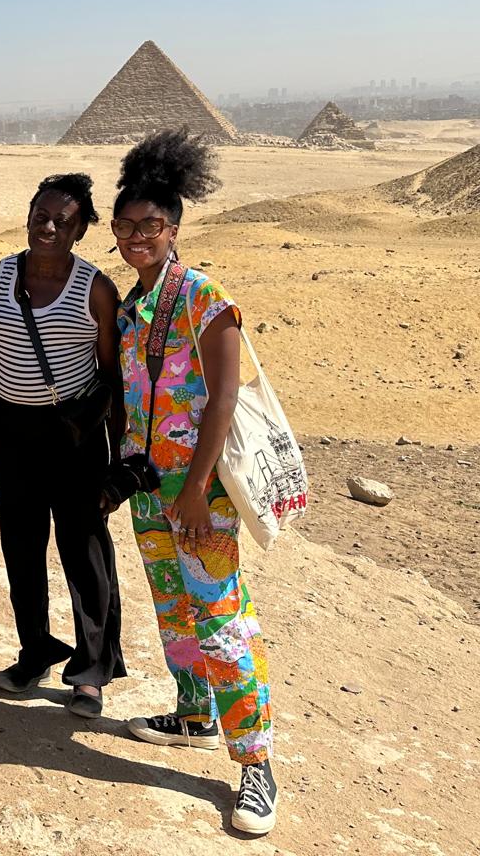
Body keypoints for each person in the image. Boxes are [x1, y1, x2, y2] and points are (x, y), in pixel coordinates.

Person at [110, 128, 279, 836]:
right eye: (125, 226)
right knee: (176, 611)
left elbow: (223, 399)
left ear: (175, 227)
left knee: (222, 621)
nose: (136, 237)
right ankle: (191, 713)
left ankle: (258, 764)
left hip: (197, 495)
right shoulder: (131, 307)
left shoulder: (206, 300)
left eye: (150, 225)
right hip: (150, 489)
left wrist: (194, 489)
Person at [0, 173, 126, 717]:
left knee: (85, 555)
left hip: (73, 439)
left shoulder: (96, 289)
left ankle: (90, 672)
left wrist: (118, 460)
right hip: (11, 434)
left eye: (65, 219)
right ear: (28, 213)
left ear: (82, 229)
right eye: (42, 214)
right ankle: (34, 649)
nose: (50, 226)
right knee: (21, 548)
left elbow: (112, 376)